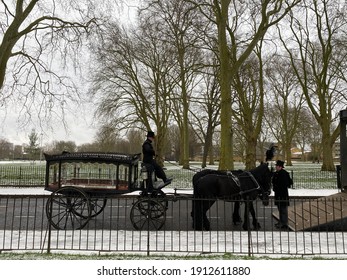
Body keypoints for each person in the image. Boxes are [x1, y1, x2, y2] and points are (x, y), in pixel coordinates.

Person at [272, 160, 293, 230]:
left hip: (283, 194)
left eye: (277, 166)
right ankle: (281, 221)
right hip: (278, 194)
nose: (276, 167)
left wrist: (279, 186)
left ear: (280, 167)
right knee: (279, 208)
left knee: (283, 209)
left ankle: (284, 223)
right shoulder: (276, 173)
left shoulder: (284, 173)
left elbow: (289, 182)